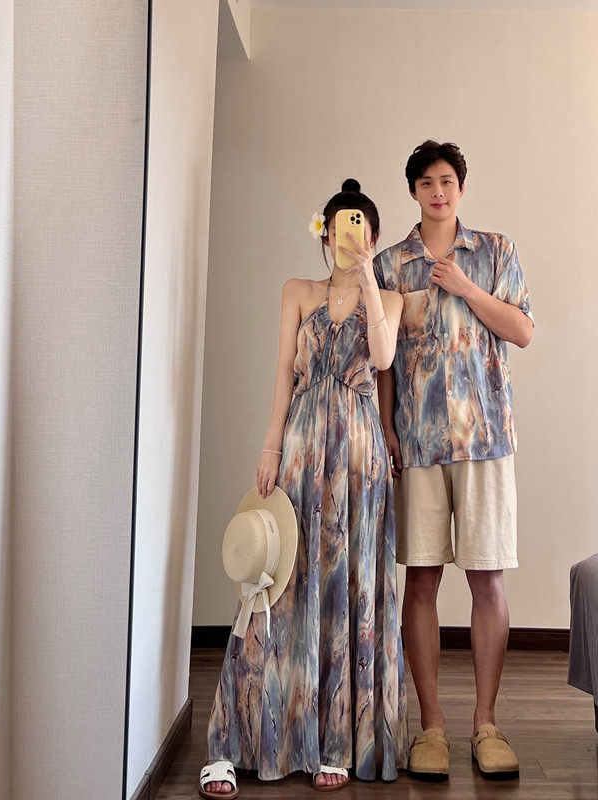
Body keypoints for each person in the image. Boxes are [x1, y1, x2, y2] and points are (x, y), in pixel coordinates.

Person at [200, 179, 407, 796]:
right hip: (300, 446)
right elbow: (282, 377)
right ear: (325, 232)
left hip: (360, 456)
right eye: (340, 226)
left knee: (348, 585)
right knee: (279, 584)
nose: (349, 236)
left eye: (360, 227)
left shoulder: (390, 299)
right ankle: (240, 738)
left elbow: (383, 357)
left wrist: (367, 274)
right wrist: (269, 446)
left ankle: (336, 740)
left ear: (372, 235)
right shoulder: (296, 291)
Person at [373, 141, 534, 781]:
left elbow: (522, 330)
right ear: (413, 191)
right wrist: (386, 426)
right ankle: (431, 726)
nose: (437, 192)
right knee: (420, 580)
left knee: (487, 579)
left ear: (461, 187)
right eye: (426, 182)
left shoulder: (495, 252)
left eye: (446, 181)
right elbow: (383, 360)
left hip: (485, 439)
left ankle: (486, 725)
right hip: (417, 443)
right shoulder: (390, 265)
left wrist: (465, 288)